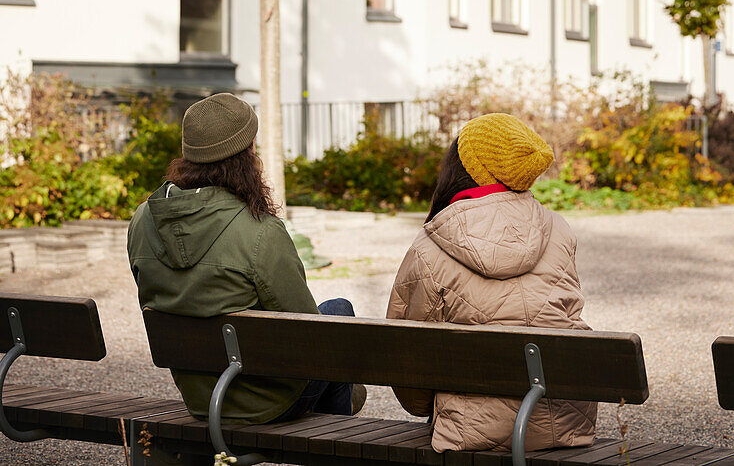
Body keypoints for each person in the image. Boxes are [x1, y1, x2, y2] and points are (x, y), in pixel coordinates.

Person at [128, 91, 366, 423]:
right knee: (338, 312)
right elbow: (311, 334)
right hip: (270, 403)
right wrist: (352, 389)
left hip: (200, 398)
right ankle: (333, 440)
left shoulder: (142, 219)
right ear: (248, 152)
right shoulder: (261, 231)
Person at [386, 112, 596, 453]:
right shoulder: (559, 230)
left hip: (469, 435)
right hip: (564, 424)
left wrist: (433, 407)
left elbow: (408, 364)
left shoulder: (430, 245)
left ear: (462, 168)